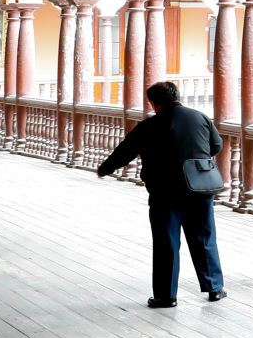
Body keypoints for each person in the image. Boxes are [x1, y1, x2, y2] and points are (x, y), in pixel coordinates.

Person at [96, 80, 227, 307]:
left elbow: (124, 152)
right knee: (204, 238)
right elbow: (216, 146)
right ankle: (214, 288)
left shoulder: (149, 126)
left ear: (154, 103)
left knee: (167, 243)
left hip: (165, 192)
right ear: (177, 96)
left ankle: (166, 296)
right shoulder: (200, 117)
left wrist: (104, 169)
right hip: (199, 188)